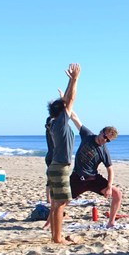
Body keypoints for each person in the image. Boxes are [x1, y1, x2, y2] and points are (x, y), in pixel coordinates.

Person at [46, 64, 81, 244]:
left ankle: (55, 236)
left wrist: (69, 81)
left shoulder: (56, 122)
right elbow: (70, 99)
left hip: (57, 166)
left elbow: (67, 100)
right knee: (61, 204)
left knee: (56, 204)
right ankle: (57, 238)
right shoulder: (59, 122)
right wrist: (75, 79)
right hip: (60, 167)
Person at [69, 114, 121, 229]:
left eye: (108, 140)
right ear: (101, 132)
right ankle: (49, 222)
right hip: (77, 178)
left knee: (117, 193)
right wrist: (66, 101)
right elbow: (75, 118)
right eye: (104, 137)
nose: (104, 140)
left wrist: (109, 186)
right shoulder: (87, 135)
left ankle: (111, 222)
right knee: (61, 200)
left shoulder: (104, 150)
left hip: (93, 179)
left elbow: (110, 169)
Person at [44, 115, 53, 203]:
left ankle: (49, 199)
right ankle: (49, 199)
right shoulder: (51, 132)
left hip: (50, 155)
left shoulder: (48, 131)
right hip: (52, 156)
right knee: (50, 179)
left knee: (50, 178)